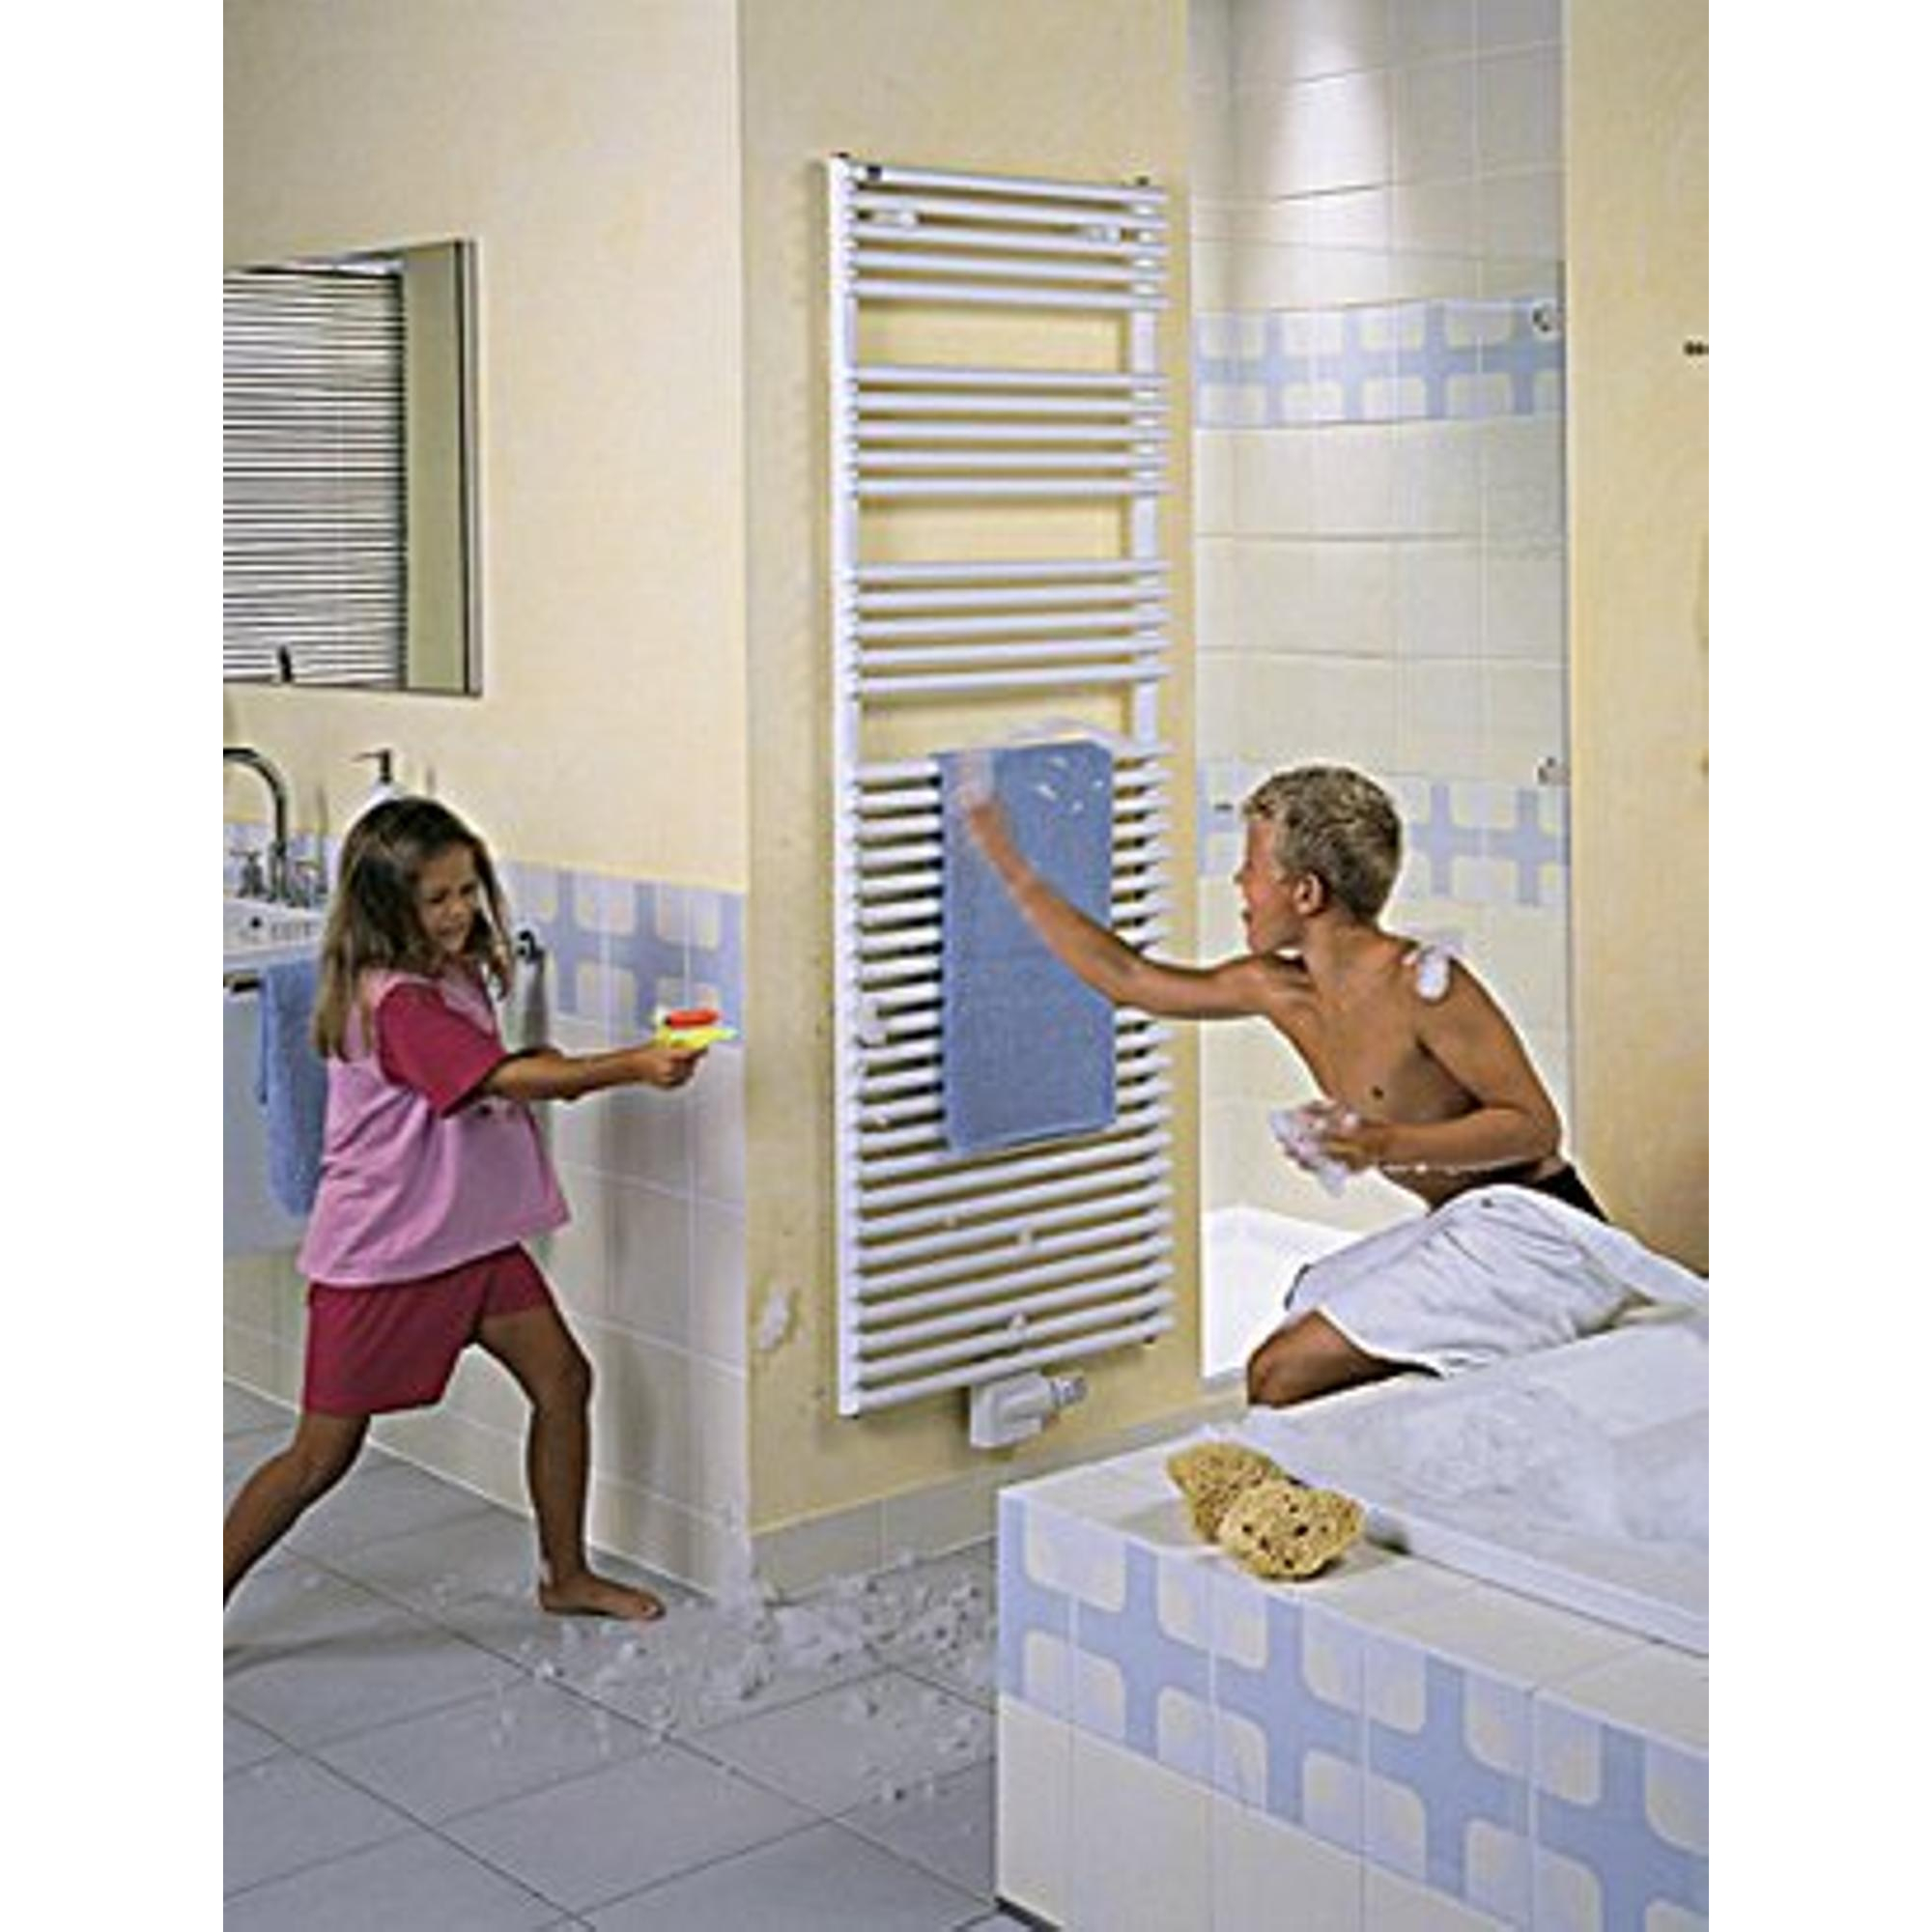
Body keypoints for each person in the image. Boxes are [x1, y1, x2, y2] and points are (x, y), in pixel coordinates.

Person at [960, 760, 1698, 1409]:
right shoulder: (1280, 989)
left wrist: (1383, 1143)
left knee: (1280, 1373)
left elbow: (1534, 1127)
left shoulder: (1424, 986)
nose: (1238, 885)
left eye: (1251, 868)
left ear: (1306, 892)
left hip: (1540, 1231)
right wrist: (1011, 869)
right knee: (1309, 1298)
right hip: (1465, 1224)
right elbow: (1127, 978)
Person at [224, 796, 708, 1622]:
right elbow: (494, 1080)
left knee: (563, 1380)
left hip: (468, 1238)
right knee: (319, 1457)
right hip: (385, 1254)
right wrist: (631, 1064)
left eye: (465, 890)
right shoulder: (397, 1001)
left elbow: (481, 1071)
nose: (458, 912)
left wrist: (533, 1063)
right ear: (387, 905)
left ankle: (564, 1576)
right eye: (436, 899)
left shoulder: (447, 972)